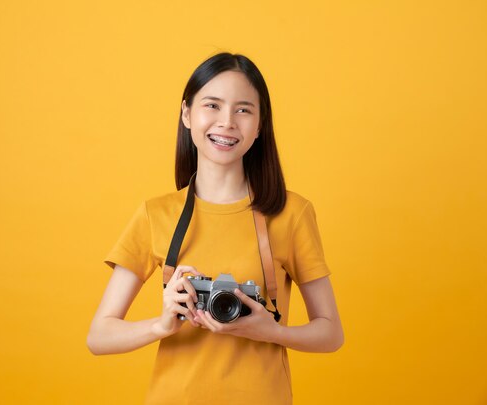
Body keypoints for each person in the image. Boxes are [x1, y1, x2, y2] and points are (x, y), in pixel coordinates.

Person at [87, 52, 344, 405]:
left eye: (243, 109)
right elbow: (99, 337)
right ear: (187, 114)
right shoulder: (156, 214)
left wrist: (271, 332)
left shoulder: (291, 213)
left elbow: (331, 333)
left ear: (259, 126)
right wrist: (162, 324)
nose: (227, 122)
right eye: (212, 105)